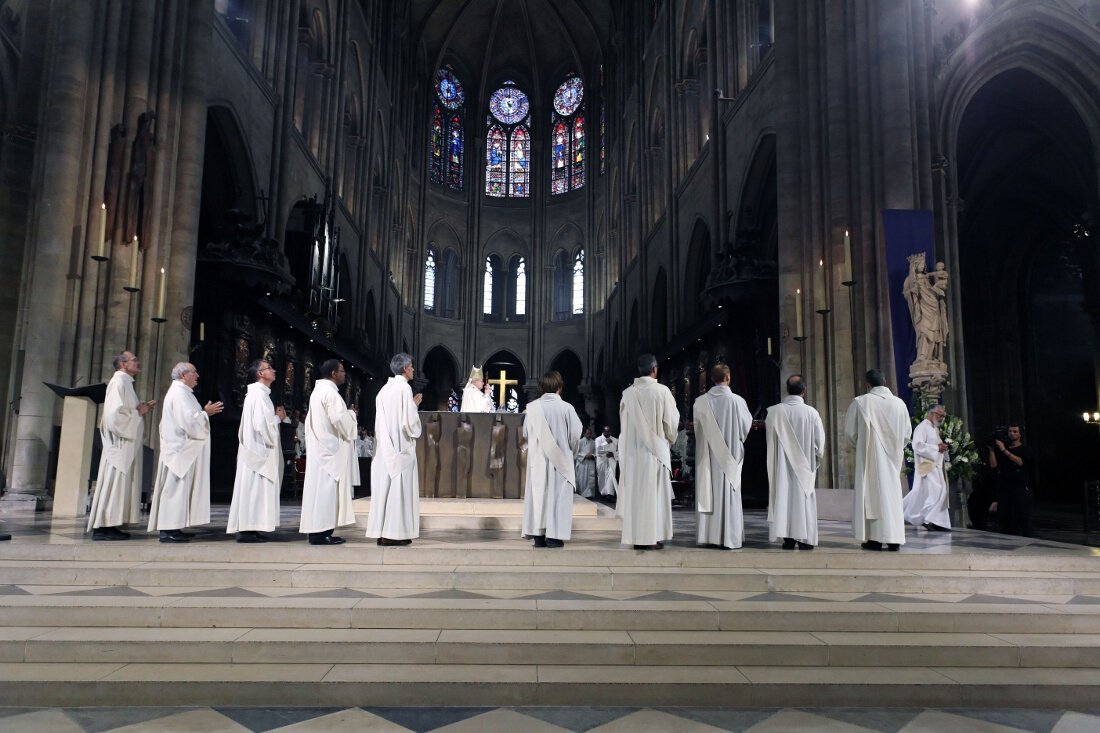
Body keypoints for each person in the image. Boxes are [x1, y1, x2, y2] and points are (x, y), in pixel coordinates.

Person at [147, 363, 223, 543]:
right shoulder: (179, 394)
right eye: (194, 372)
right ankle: (167, 530)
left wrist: (202, 414)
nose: (197, 375)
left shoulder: (183, 393)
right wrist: (206, 413)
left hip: (182, 450)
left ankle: (174, 527)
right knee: (173, 490)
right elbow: (188, 421)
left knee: (178, 491)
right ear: (183, 374)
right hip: (179, 451)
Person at [87, 350, 156, 540]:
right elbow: (112, 417)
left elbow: (125, 412)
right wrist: (138, 412)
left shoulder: (125, 383)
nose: (138, 362)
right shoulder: (118, 382)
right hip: (119, 446)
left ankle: (111, 524)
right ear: (123, 364)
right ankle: (102, 528)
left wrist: (139, 410)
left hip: (126, 444)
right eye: (134, 360)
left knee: (120, 485)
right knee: (114, 484)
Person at [845, 369, 912, 551]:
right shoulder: (900, 404)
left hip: (870, 457)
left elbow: (851, 434)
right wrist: (895, 449)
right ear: (885, 381)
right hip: (893, 459)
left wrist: (862, 446)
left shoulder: (861, 403)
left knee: (872, 494)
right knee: (891, 496)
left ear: (868, 385)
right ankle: (894, 539)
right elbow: (907, 435)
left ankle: (874, 539)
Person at [618, 353, 679, 550]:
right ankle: (653, 537)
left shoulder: (627, 394)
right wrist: (669, 438)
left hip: (634, 455)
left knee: (637, 496)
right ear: (654, 369)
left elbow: (624, 427)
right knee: (654, 497)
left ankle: (637, 536)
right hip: (655, 454)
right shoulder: (662, 392)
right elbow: (671, 423)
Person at [299, 360, 359, 545]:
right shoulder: (330, 393)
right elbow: (339, 419)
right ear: (333, 373)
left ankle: (317, 532)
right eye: (342, 371)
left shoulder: (318, 392)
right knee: (325, 493)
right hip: (329, 452)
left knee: (318, 493)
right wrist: (351, 414)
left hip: (320, 450)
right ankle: (321, 533)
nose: (345, 374)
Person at [366, 353, 423, 546]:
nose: (413, 369)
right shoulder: (403, 388)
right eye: (412, 366)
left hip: (384, 449)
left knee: (385, 490)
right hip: (400, 448)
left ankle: (382, 532)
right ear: (405, 368)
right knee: (398, 491)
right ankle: (393, 534)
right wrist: (414, 407)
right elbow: (408, 423)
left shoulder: (383, 390)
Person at [693, 364, 753, 549]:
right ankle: (729, 538)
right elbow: (745, 428)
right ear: (728, 377)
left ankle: (709, 536)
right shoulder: (738, 401)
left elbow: (697, 430)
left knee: (709, 491)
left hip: (708, 457)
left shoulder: (700, 402)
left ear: (712, 379)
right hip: (730, 457)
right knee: (729, 494)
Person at [522, 370, 583, 547]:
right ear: (560, 386)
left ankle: (538, 536)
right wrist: (568, 451)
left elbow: (526, 433)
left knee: (538, 496)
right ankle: (554, 537)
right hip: (560, 461)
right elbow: (575, 435)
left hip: (538, 460)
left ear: (541, 387)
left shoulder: (532, 408)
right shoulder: (567, 408)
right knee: (558, 499)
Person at [766, 374, 825, 550]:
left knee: (784, 499)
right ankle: (805, 539)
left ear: (787, 389)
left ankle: (788, 539)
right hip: (805, 466)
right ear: (804, 391)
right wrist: (814, 462)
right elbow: (820, 444)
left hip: (782, 467)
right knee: (803, 500)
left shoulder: (774, 412)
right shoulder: (812, 413)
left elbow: (770, 441)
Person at [227, 360, 282, 543]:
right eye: (268, 368)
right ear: (260, 373)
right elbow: (262, 425)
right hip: (257, 453)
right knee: (253, 490)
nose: (273, 370)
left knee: (255, 491)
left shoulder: (260, 395)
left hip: (257, 452)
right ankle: (246, 530)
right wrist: (278, 419)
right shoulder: (258, 395)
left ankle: (252, 527)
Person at [903, 404, 952, 532]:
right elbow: (917, 445)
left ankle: (936, 521)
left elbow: (935, 445)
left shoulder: (933, 428)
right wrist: (937, 448)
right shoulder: (922, 427)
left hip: (935, 466)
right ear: (931, 413)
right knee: (936, 492)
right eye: (940, 415)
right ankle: (929, 520)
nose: (942, 418)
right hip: (927, 466)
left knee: (933, 493)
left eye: (943, 416)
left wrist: (943, 447)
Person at [988, 423, 1031, 536]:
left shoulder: (1024, 449)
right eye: (1010, 431)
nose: (1012, 433)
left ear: (1020, 434)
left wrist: (1003, 450)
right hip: (1004, 487)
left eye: (1015, 431)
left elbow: (1020, 462)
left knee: (1022, 517)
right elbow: (993, 465)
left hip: (1019, 488)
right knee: (1004, 518)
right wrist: (992, 450)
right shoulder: (1003, 449)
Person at [595, 425, 619, 500]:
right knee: (601, 478)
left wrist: (613, 454)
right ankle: (603, 494)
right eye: (606, 431)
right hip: (602, 462)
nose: (608, 432)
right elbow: (598, 451)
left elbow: (619, 452)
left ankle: (610, 495)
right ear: (603, 431)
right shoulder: (598, 439)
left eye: (609, 431)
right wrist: (605, 443)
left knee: (611, 477)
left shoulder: (615, 440)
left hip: (612, 461)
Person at [574, 426, 597, 499]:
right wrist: (584, 456)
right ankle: (582, 493)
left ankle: (589, 494)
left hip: (590, 462)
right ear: (584, 434)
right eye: (587, 434)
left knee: (591, 479)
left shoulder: (593, 442)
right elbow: (576, 452)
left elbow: (596, 453)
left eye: (590, 434)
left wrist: (592, 455)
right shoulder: (580, 441)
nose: (589, 435)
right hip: (582, 463)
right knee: (582, 478)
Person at [355, 426, 375, 497]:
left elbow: (372, 450)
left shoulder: (369, 441)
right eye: (362, 433)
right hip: (359, 460)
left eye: (364, 433)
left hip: (367, 460)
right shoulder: (357, 440)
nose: (363, 434)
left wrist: (367, 452)